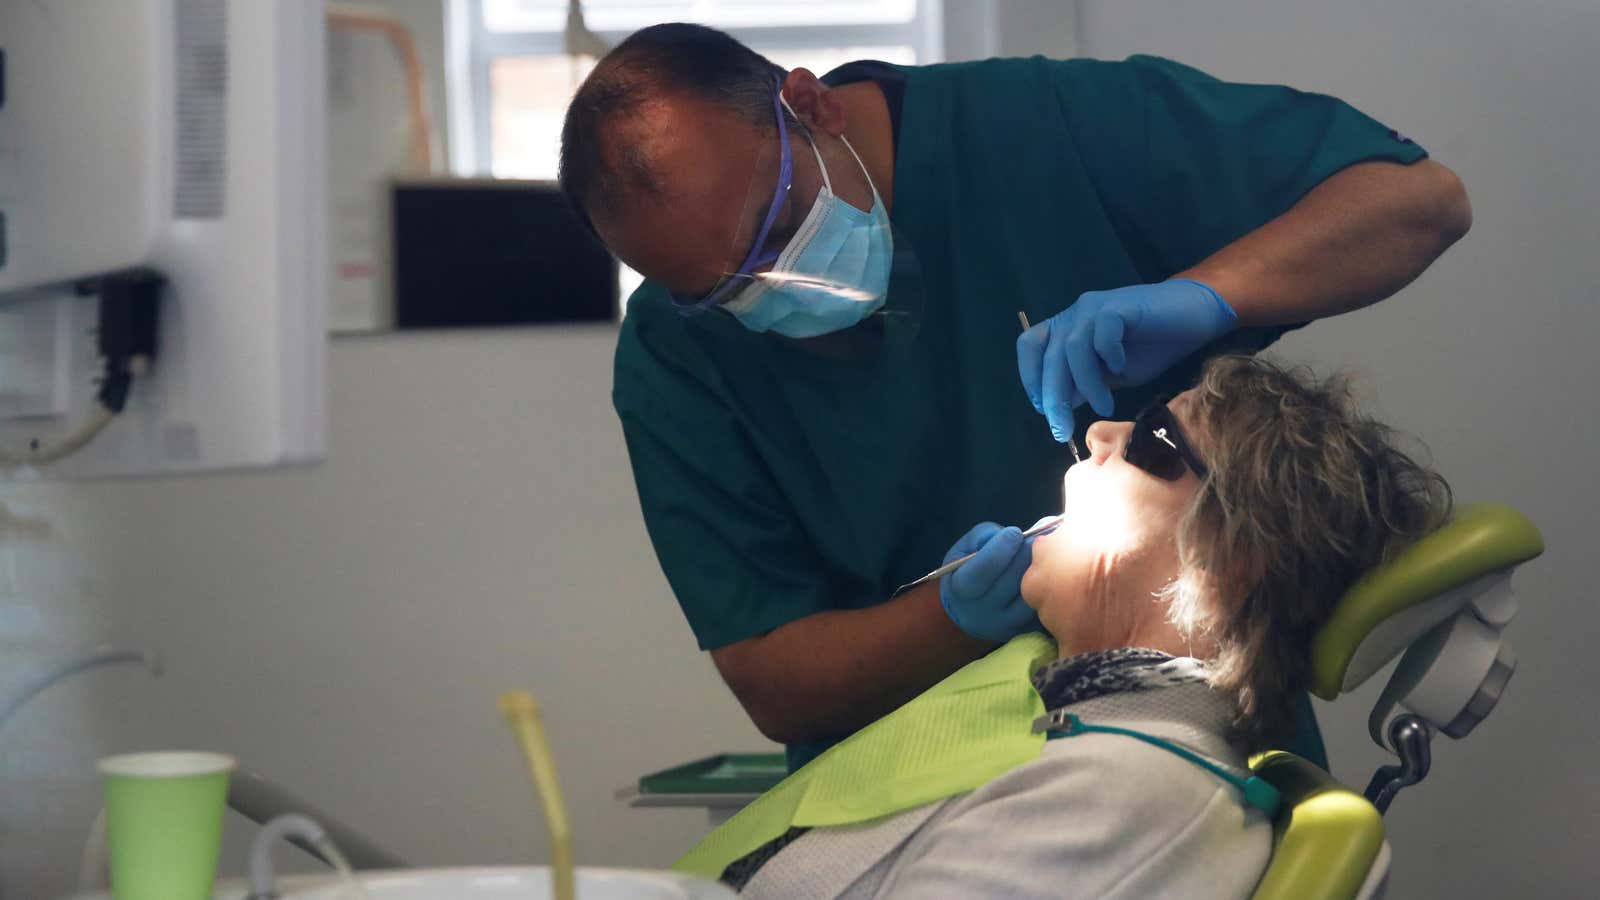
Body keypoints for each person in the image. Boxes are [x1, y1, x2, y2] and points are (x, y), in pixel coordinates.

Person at [558, 23, 1472, 768]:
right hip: (908, 780)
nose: (771, 287)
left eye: (778, 228)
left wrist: (1208, 295)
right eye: (726, 293)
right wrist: (949, 614)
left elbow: (1417, 200)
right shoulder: (676, 358)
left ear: (812, 105)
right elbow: (774, 678)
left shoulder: (1039, 128)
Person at [682, 355, 1452, 899]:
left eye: (1153, 437)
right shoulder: (1096, 742)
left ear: (1229, 557)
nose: (1100, 434)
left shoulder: (1122, 798)